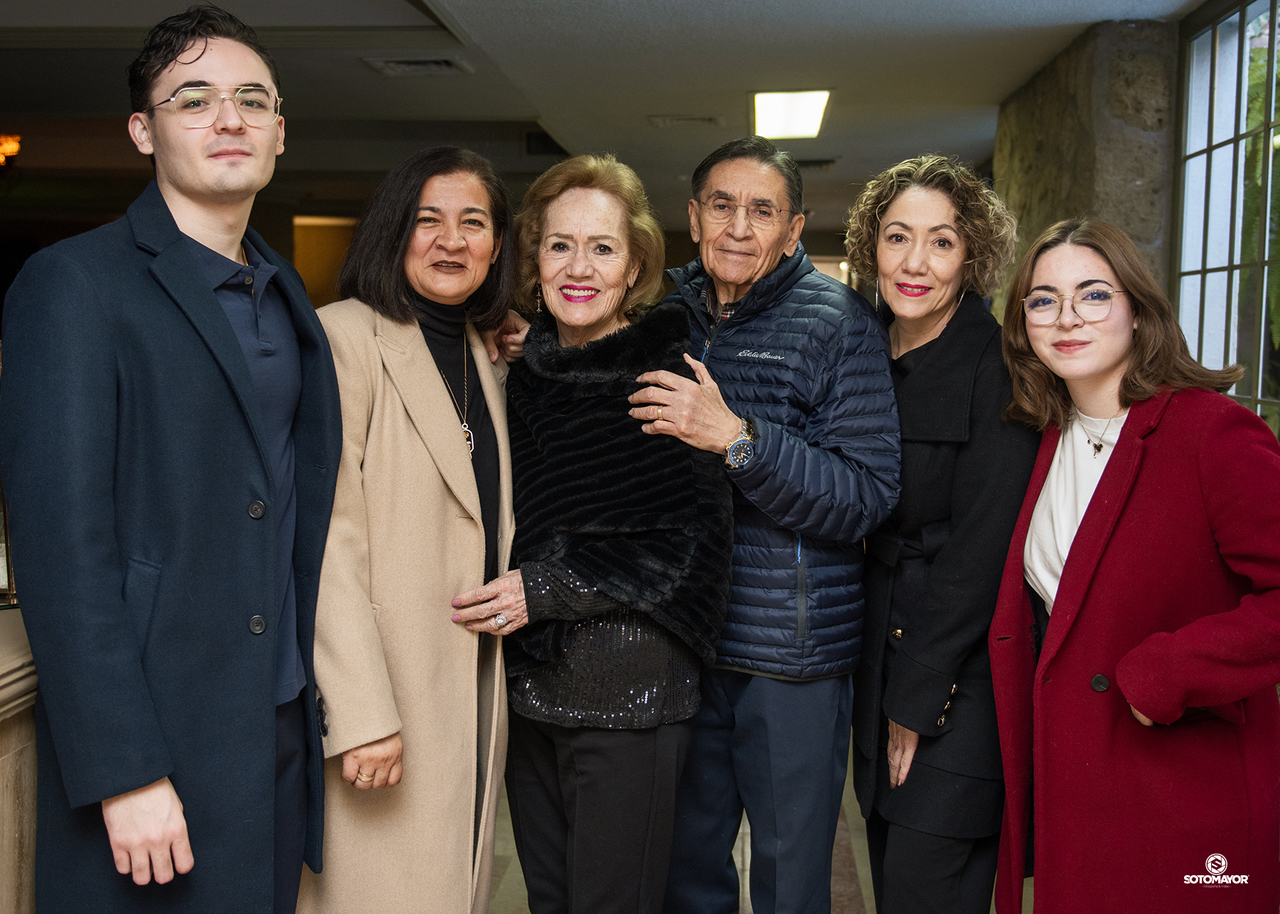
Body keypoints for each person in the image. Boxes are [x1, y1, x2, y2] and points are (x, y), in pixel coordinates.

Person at [0, 6, 342, 913]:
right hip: (156, 737)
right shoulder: (74, 284)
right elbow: (60, 549)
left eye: (252, 100)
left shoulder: (285, 293)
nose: (229, 118)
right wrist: (125, 771)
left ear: (279, 132)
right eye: (194, 100)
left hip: (277, 723)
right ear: (143, 132)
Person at [450, 154, 734, 914]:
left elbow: (684, 549)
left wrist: (540, 589)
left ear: (634, 265)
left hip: (630, 689)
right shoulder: (526, 372)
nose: (579, 268)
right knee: (550, 899)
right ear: (534, 259)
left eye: (602, 248)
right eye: (560, 245)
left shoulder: (664, 378)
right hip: (532, 688)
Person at [627, 135, 901, 914]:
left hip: (790, 656)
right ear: (693, 217)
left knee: (788, 877)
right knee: (685, 869)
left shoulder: (840, 323)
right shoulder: (662, 312)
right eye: (723, 206)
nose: (739, 228)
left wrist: (738, 440)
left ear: (793, 229)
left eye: (762, 211)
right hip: (685, 641)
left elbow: (866, 494)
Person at [990, 217, 1280, 914]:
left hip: (1183, 787)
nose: (1066, 318)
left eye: (1094, 295)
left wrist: (1171, 671)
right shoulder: (1044, 437)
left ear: (1139, 311)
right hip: (1079, 786)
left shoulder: (1209, 431)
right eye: (1043, 300)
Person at [295, 146, 515, 914]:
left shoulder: (482, 353)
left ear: (497, 243)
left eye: (473, 222)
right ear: (395, 231)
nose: (452, 240)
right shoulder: (341, 339)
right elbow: (325, 539)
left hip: (468, 690)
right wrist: (361, 716)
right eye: (429, 220)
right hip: (386, 700)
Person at [842, 155, 1038, 913]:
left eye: (942, 241)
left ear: (971, 255)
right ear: (872, 246)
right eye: (898, 237)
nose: (915, 262)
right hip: (878, 659)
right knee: (891, 877)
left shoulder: (1000, 366)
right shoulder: (862, 347)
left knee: (924, 888)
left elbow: (981, 553)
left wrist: (917, 699)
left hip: (960, 679)